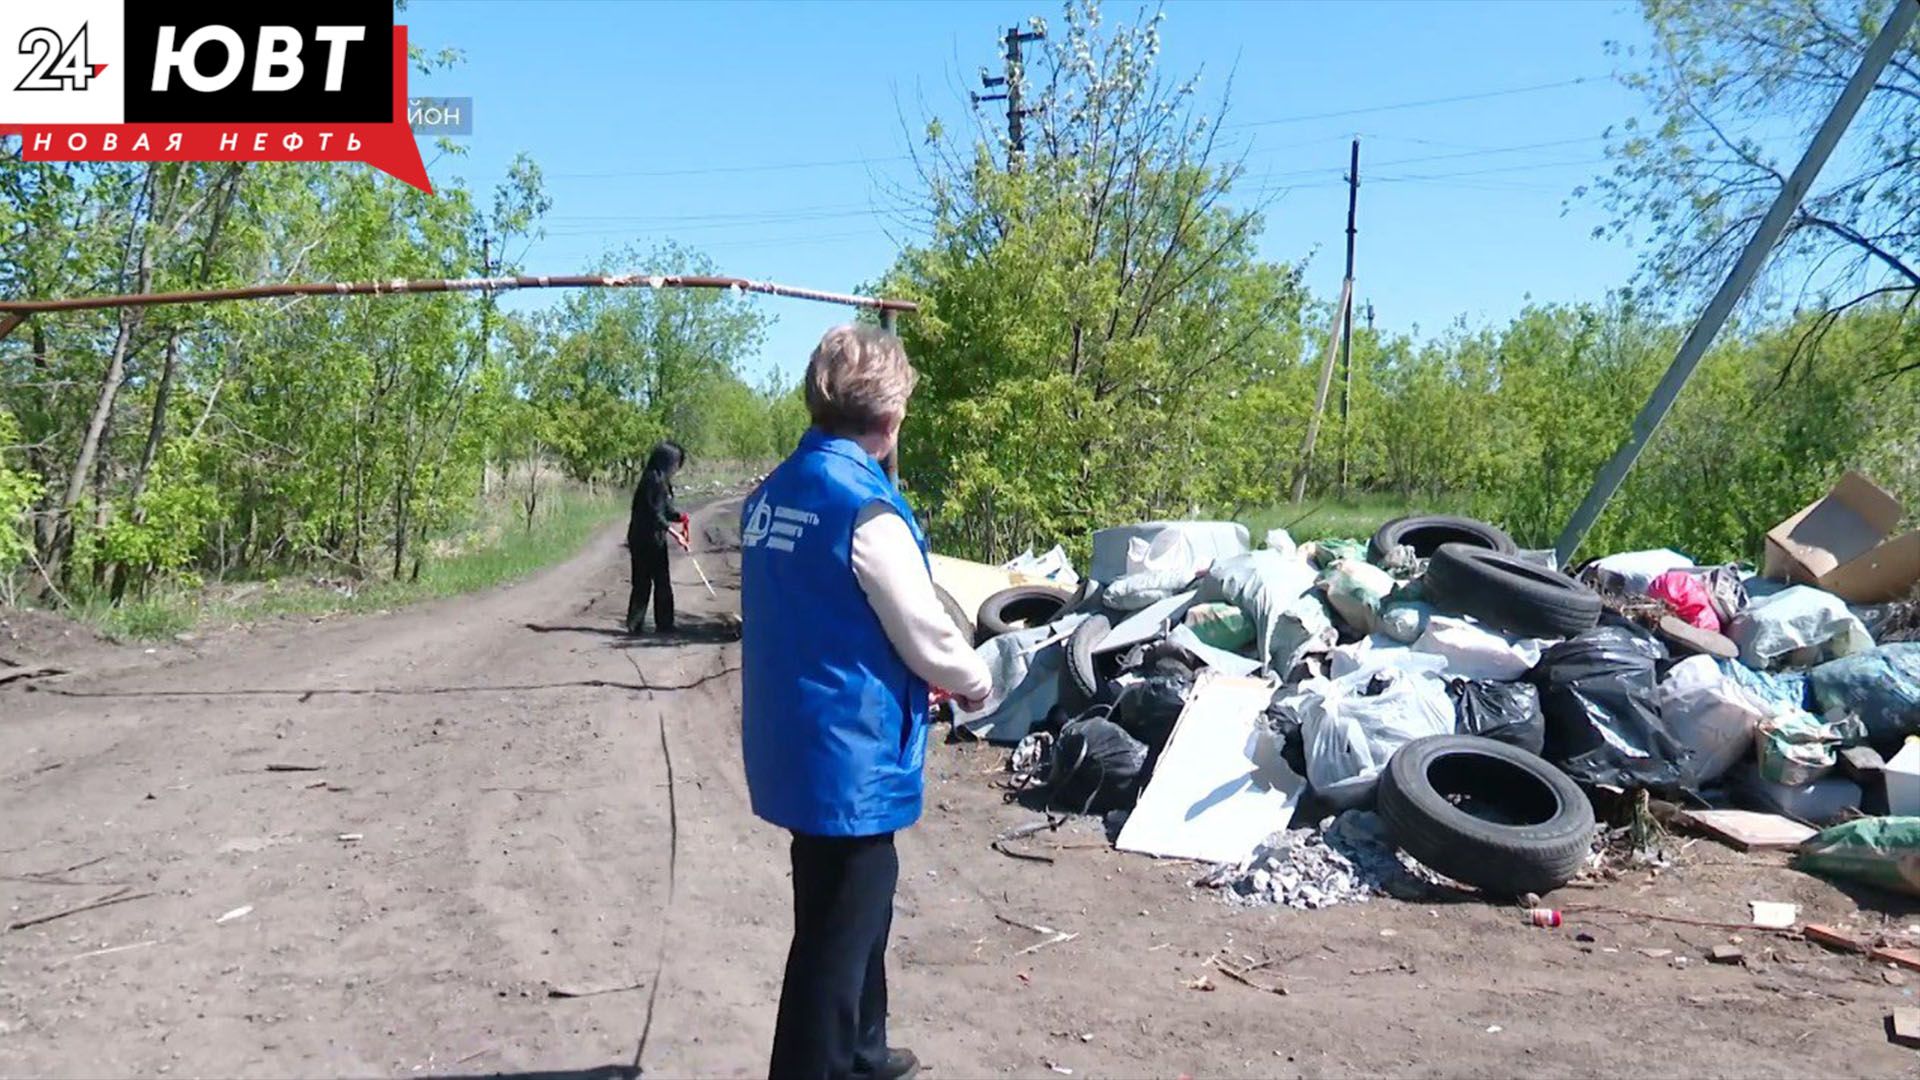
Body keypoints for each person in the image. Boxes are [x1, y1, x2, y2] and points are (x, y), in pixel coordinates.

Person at [740, 325, 992, 1080]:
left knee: (853, 910)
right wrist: (978, 682)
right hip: (849, 752)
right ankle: (821, 1062)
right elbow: (924, 631)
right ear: (889, 420)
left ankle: (862, 1051)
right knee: (833, 936)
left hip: (793, 739)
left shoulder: (776, 490)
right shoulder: (864, 508)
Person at [627, 440, 688, 635]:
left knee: (662, 581)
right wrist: (674, 533)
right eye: (676, 463)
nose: (676, 468)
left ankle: (665, 624)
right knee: (643, 582)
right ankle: (635, 624)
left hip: (655, 538)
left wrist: (680, 517)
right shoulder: (651, 480)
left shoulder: (663, 482)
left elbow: (665, 509)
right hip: (642, 537)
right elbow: (653, 513)